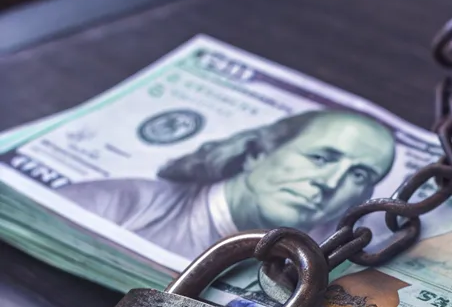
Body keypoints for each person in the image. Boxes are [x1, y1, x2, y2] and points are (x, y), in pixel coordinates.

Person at [59, 110, 396, 259]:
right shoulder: (117, 204)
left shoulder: (338, 254)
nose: (330, 183)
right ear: (257, 153)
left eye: (359, 175)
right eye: (321, 158)